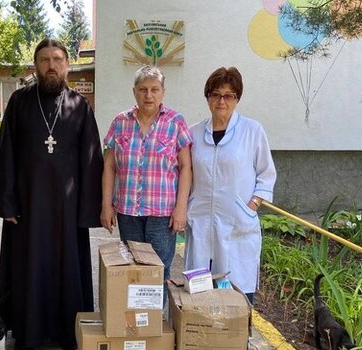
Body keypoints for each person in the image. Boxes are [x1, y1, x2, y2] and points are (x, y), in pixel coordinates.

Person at [0, 38, 104, 350]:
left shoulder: (79, 106)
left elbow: (92, 160)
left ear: (67, 64)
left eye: (57, 59)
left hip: (67, 212)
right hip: (29, 207)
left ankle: (67, 332)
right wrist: (7, 202)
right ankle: (30, 333)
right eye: (44, 59)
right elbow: (6, 154)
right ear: (36, 65)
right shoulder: (19, 102)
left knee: (68, 268)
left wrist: (88, 210)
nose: (51, 65)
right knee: (29, 267)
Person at [184, 66, 277, 305]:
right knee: (200, 296)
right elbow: (185, 173)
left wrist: (251, 206)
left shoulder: (252, 131)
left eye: (228, 95)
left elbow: (266, 174)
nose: (221, 100)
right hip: (202, 223)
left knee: (236, 296)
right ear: (207, 98)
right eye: (215, 94)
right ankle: (200, 341)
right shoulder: (193, 133)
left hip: (237, 225)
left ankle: (235, 343)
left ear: (237, 98)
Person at [101, 65, 193, 285]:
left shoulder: (175, 122)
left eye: (154, 89)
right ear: (134, 92)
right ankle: (136, 319)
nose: (148, 95)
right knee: (132, 272)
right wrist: (106, 205)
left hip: (162, 215)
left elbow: (186, 168)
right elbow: (109, 167)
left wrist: (181, 208)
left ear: (163, 92)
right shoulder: (120, 122)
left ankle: (157, 319)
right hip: (128, 212)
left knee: (159, 272)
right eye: (143, 89)